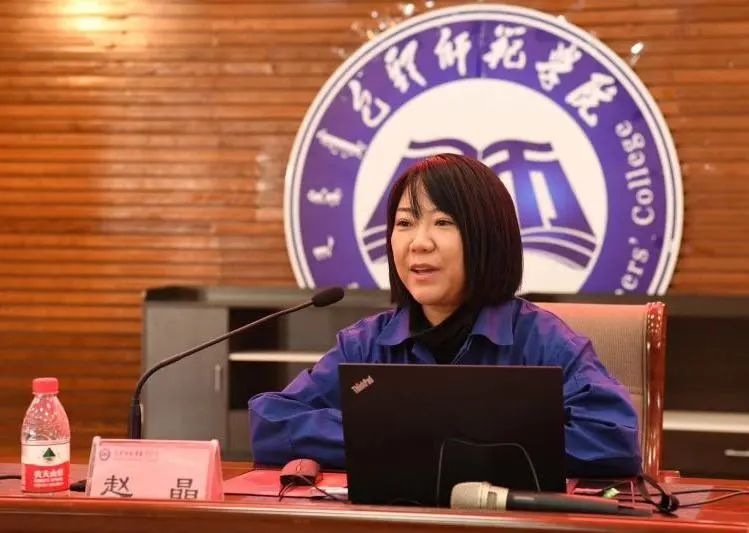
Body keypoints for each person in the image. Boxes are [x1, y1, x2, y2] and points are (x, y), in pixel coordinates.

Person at [249, 153, 641, 478]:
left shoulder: (542, 342)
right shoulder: (366, 345)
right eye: (405, 223)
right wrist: (412, 437)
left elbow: (612, 438)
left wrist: (436, 441)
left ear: (488, 238)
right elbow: (272, 422)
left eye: (443, 222)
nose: (419, 243)